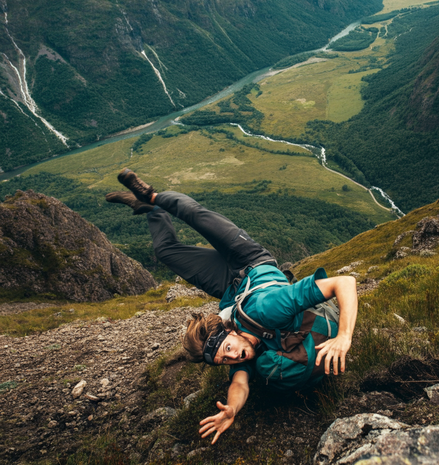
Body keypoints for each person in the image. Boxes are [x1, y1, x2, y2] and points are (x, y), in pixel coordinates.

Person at [107, 168, 358, 445]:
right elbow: (239, 384)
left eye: (227, 351)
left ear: (230, 331)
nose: (234, 358)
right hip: (233, 288)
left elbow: (344, 283)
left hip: (248, 259)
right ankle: (149, 209)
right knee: (165, 252)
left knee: (196, 216)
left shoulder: (267, 308)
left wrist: (344, 337)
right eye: (225, 360)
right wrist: (232, 409)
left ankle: (151, 194)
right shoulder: (246, 351)